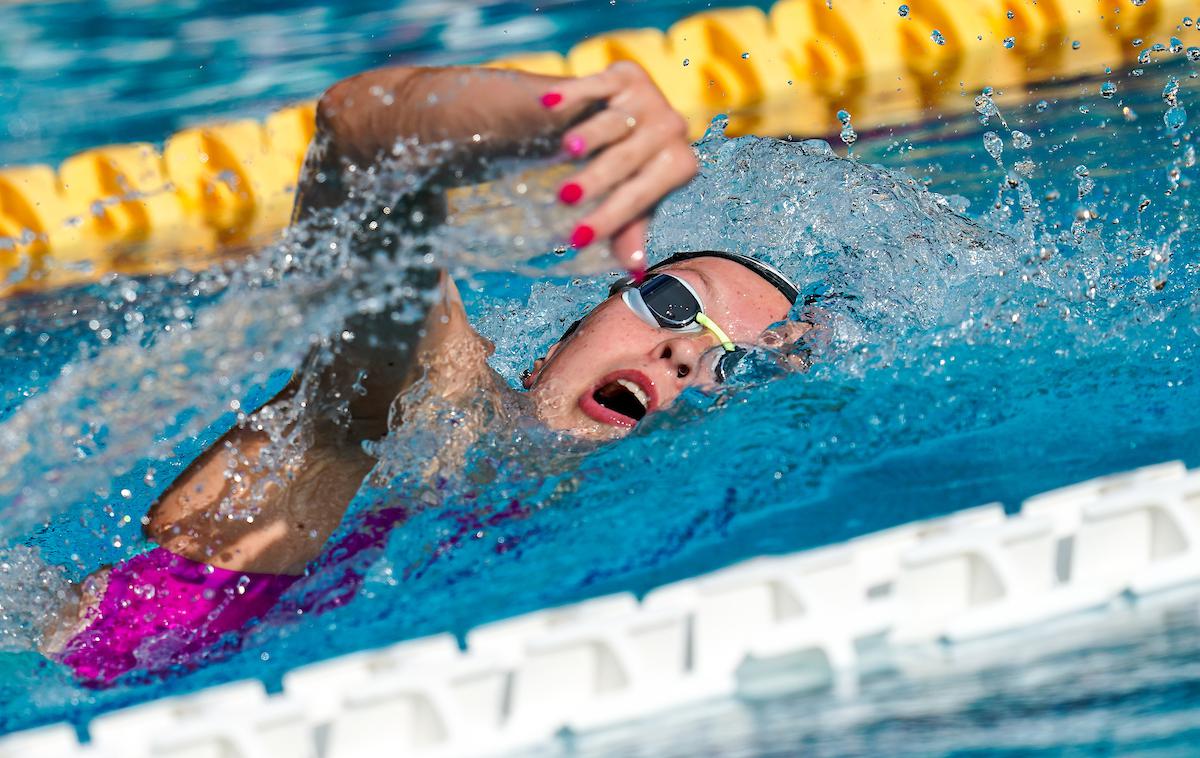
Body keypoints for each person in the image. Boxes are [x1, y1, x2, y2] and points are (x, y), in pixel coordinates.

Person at [42, 62, 801, 683]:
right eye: (673, 302)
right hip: (95, 665)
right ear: (556, 346)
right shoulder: (443, 401)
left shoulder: (646, 552)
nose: (682, 351)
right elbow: (358, 137)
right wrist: (565, 108)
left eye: (729, 365)